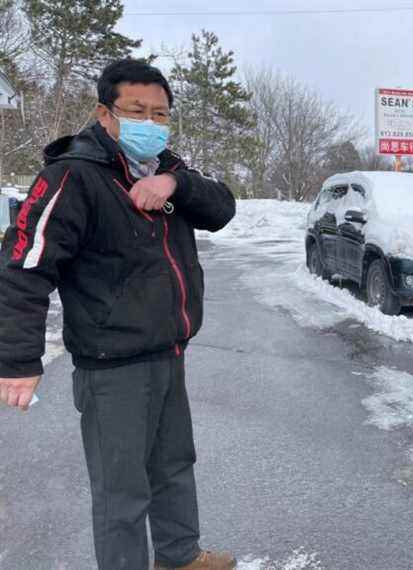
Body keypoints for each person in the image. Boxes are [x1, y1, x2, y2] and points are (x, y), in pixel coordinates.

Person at [0, 59, 237, 570]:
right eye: (136, 111)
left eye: (160, 114)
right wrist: (19, 358)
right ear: (105, 114)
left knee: (174, 466)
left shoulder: (165, 170)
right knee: (122, 494)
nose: (150, 124)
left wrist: (174, 185)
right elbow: (24, 265)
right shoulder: (72, 177)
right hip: (113, 369)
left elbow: (222, 207)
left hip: (168, 353)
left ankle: (179, 556)